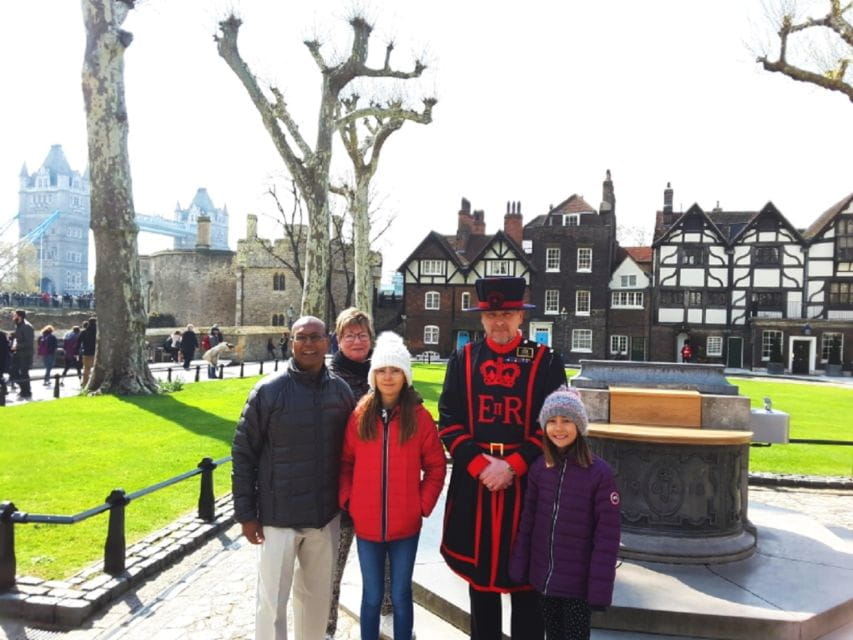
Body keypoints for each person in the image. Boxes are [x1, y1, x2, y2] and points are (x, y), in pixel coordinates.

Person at [438, 276, 566, 640]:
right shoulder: (462, 360)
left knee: (527, 586)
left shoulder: (546, 362)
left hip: (527, 483)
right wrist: (481, 466)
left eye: (507, 313)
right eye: (492, 314)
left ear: (520, 317)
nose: (499, 322)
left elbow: (558, 425)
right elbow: (448, 421)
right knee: (481, 586)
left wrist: (513, 464)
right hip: (474, 482)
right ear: (481, 318)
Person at [231, 316, 355, 640]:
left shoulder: (341, 392)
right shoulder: (268, 392)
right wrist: (246, 514)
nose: (310, 344)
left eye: (316, 337)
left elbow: (353, 454)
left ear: (328, 341)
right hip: (278, 517)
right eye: (302, 337)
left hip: (323, 516)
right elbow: (243, 454)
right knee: (272, 604)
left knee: (315, 603)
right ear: (292, 342)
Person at [339, 332, 446, 640]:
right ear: (374, 375)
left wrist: (421, 504)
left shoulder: (420, 418)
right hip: (368, 525)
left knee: (400, 594)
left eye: (395, 370)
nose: (388, 377)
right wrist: (349, 500)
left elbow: (436, 466)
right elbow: (345, 462)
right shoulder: (360, 415)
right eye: (383, 370)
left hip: (405, 525)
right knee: (372, 595)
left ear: (405, 376)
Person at [509, 386, 621, 640]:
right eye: (552, 421)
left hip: (577, 588)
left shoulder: (599, 474)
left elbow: (607, 537)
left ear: (579, 426)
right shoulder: (540, 468)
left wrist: (600, 588)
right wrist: (520, 565)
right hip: (545, 580)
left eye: (567, 420)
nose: (559, 428)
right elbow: (528, 522)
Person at [327, 307, 374, 639]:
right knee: (331, 567)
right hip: (337, 489)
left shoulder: (384, 374)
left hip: (376, 487)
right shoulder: (327, 378)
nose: (357, 341)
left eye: (362, 334)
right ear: (338, 339)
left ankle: (386, 619)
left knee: (383, 567)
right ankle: (326, 626)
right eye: (349, 335)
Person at [10, 309, 35, 399]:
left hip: (25, 354)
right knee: (13, 371)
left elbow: (28, 342)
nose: (13, 317)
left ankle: (26, 391)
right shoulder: (18, 325)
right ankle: (23, 388)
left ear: (19, 316)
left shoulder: (27, 326)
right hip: (18, 353)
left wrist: (17, 346)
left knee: (24, 373)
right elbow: (19, 337)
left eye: (15, 315)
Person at [79, 317, 97, 387]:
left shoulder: (84, 332)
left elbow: (79, 342)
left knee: (86, 369)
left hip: (86, 352)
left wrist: (76, 351)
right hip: (96, 352)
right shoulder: (98, 332)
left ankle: (85, 383)